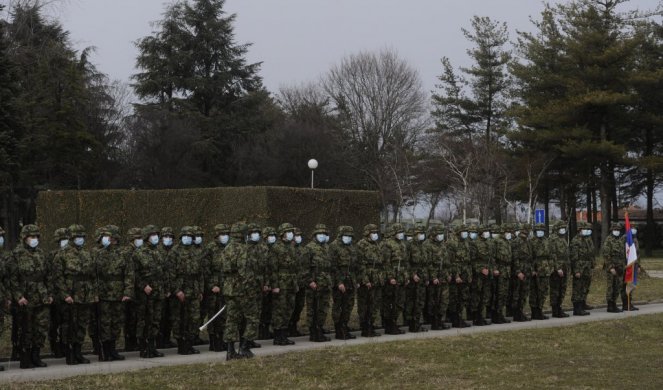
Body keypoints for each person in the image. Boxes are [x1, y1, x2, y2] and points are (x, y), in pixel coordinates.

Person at [7, 224, 53, 369]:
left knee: (41, 327)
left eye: (36, 236)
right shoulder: (16, 254)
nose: (35, 239)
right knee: (26, 328)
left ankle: (36, 355)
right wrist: (18, 296)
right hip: (25, 297)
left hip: (41, 295)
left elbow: (48, 275)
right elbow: (12, 279)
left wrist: (49, 293)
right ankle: (25, 357)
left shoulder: (40, 253)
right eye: (32, 236)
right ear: (24, 238)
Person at [52, 224, 96, 365]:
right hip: (70, 295)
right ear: (71, 237)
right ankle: (69, 353)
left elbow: (93, 275)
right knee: (71, 325)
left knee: (82, 325)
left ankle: (78, 352)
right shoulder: (62, 255)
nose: (80, 239)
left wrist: (93, 292)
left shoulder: (86, 253)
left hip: (85, 295)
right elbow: (58, 277)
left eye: (82, 236)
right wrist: (65, 295)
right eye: (78, 236)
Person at [223, 222, 262, 360]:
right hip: (243, 290)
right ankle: (244, 347)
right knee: (253, 318)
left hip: (229, 289)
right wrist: (251, 289)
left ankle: (230, 351)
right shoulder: (244, 249)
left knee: (231, 320)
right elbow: (245, 272)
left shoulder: (227, 248)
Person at [94, 225, 132, 361]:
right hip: (103, 293)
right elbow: (94, 275)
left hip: (118, 293)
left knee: (116, 323)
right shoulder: (97, 253)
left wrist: (127, 291)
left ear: (115, 238)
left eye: (109, 236)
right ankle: (104, 351)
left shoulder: (123, 254)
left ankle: (113, 350)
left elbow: (129, 274)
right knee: (105, 323)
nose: (106, 239)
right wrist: (95, 292)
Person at [134, 225, 166, 358]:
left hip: (158, 291)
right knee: (145, 320)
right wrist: (143, 286)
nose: (155, 237)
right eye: (153, 235)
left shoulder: (158, 252)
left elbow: (163, 272)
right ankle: (144, 347)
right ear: (147, 237)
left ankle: (152, 347)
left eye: (156, 234)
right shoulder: (139, 253)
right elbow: (134, 274)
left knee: (156, 320)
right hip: (145, 293)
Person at [172, 226, 204, 355]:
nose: (188, 239)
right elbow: (170, 273)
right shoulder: (175, 252)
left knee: (194, 318)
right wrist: (177, 290)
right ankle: (182, 345)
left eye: (190, 237)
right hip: (181, 290)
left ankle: (190, 343)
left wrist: (200, 290)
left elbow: (200, 274)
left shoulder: (195, 252)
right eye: (186, 236)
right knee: (181, 319)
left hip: (194, 289)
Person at [270, 223, 298, 346]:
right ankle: (278, 335)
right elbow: (273, 268)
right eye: (288, 231)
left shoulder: (292, 247)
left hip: (291, 282)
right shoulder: (276, 248)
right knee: (279, 309)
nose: (291, 234)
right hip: (281, 283)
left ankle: (284, 334)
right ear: (282, 234)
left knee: (289, 308)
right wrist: (275, 285)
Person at [329, 225, 357, 340]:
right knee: (338, 306)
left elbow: (355, 266)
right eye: (346, 235)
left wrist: (355, 281)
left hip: (350, 281)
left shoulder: (351, 247)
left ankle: (345, 327)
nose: (348, 237)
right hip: (339, 282)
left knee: (348, 306)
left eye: (350, 236)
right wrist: (339, 282)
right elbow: (332, 266)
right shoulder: (334, 246)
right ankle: (338, 329)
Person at [305, 224, 333, 342]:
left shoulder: (326, 248)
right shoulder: (309, 248)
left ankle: (320, 328)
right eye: (320, 234)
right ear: (315, 235)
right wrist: (310, 281)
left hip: (325, 282)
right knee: (313, 308)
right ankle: (313, 331)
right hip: (314, 283)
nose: (322, 236)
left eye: (324, 234)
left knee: (323, 307)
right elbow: (304, 267)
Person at [356, 224, 383, 337]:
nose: (375, 234)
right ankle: (365, 327)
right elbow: (360, 264)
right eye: (373, 232)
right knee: (364, 304)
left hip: (376, 279)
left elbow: (380, 263)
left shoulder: (376, 245)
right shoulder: (361, 244)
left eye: (376, 232)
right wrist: (365, 280)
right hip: (366, 280)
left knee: (374, 304)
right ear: (367, 233)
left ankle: (370, 325)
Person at [206, 224, 230, 352]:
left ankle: (223, 340)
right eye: (222, 234)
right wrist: (212, 285)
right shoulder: (210, 248)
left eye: (226, 233)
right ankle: (213, 342)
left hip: (226, 286)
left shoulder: (229, 248)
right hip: (214, 288)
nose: (225, 236)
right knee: (214, 314)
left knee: (224, 316)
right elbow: (206, 269)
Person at [381, 223, 407, 335]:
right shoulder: (387, 244)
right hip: (391, 278)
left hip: (400, 277)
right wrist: (390, 277)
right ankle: (389, 325)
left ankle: (394, 322)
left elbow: (405, 263)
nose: (401, 234)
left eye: (402, 232)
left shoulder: (402, 244)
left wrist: (405, 276)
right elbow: (386, 262)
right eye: (399, 232)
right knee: (390, 302)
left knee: (399, 302)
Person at [423, 225, 451, 330]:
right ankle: (433, 321)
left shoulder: (442, 245)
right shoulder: (427, 245)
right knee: (433, 300)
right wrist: (433, 277)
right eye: (438, 233)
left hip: (443, 276)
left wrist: (448, 274)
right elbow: (427, 263)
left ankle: (440, 319)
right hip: (434, 277)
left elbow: (447, 262)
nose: (440, 236)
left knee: (444, 300)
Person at [47, 227, 69, 359]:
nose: (65, 242)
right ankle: (55, 347)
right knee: (54, 323)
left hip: (68, 294)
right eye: (63, 239)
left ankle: (65, 345)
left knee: (67, 322)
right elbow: (49, 275)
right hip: (56, 295)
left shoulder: (72, 255)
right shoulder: (52, 255)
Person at [447, 225, 472, 328]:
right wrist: (456, 275)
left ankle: (459, 317)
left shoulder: (465, 242)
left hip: (465, 272)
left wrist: (469, 274)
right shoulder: (452, 243)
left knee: (463, 297)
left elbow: (468, 260)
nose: (465, 233)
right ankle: (454, 318)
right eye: (463, 231)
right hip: (456, 274)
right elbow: (450, 262)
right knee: (454, 297)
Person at [122, 227, 143, 352]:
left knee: (137, 317)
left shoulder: (140, 251)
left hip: (139, 290)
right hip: (131, 289)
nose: (140, 240)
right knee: (129, 317)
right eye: (137, 238)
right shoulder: (127, 252)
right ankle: (129, 342)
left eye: (140, 238)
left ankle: (135, 340)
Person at [405, 223, 428, 332]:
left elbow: (425, 263)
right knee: (412, 301)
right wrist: (412, 274)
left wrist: (426, 277)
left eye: (423, 233)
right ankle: (412, 324)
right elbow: (406, 262)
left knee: (420, 301)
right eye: (420, 233)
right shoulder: (409, 245)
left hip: (422, 277)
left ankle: (417, 322)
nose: (421, 235)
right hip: (414, 278)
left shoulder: (423, 245)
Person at [157, 226, 177, 349]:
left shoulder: (175, 251)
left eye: (170, 237)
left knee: (170, 316)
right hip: (161, 289)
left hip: (174, 288)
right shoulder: (158, 251)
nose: (168, 239)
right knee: (160, 316)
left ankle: (167, 338)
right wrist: (164, 289)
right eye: (166, 236)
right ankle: (159, 340)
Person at [469, 225, 492, 326]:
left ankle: (480, 316)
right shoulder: (474, 244)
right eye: (485, 231)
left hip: (487, 273)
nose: (487, 233)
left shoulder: (488, 242)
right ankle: (475, 316)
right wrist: (480, 269)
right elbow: (472, 260)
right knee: (476, 295)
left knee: (485, 296)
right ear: (481, 232)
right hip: (478, 275)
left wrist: (490, 269)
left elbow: (491, 259)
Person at [570, 222, 594, 316]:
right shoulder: (576, 241)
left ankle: (582, 304)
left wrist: (592, 264)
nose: (587, 231)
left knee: (585, 287)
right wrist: (576, 270)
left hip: (587, 267)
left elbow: (590, 253)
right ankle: (577, 309)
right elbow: (574, 257)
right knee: (578, 288)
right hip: (579, 267)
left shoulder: (586, 240)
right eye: (585, 229)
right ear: (580, 229)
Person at [511, 224, 533, 322]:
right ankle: (517, 314)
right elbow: (515, 258)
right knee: (517, 293)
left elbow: (529, 258)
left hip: (527, 270)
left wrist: (531, 269)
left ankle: (521, 312)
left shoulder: (527, 242)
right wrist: (518, 271)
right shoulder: (517, 242)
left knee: (524, 293)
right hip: (520, 271)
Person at [490, 225, 512, 324]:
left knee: (504, 294)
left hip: (506, 270)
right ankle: (496, 315)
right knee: (499, 293)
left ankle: (500, 314)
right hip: (500, 270)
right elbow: (492, 256)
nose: (510, 233)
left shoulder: (507, 242)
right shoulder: (496, 241)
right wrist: (495, 269)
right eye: (508, 231)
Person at [601, 222, 625, 313]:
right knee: (611, 287)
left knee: (618, 286)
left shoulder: (620, 240)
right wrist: (611, 267)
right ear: (612, 230)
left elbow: (622, 254)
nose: (617, 231)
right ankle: (610, 305)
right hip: (612, 268)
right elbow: (606, 255)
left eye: (618, 230)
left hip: (619, 268)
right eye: (615, 230)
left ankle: (614, 303)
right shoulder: (609, 240)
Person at [529, 223, 551, 320]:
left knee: (543, 291)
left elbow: (550, 255)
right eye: (538, 230)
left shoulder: (547, 241)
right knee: (534, 292)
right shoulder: (531, 242)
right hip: (536, 269)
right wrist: (532, 270)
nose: (540, 232)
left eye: (542, 230)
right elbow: (529, 258)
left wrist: (551, 267)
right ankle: (534, 311)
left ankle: (540, 310)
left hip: (545, 269)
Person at [288, 227, 307, 337]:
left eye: (299, 235)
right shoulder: (287, 249)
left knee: (299, 306)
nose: (298, 237)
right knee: (290, 306)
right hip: (290, 284)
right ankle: (286, 328)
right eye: (296, 235)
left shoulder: (302, 249)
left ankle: (293, 326)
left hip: (301, 282)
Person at [258, 226, 277, 340]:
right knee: (262, 309)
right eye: (270, 236)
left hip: (272, 283)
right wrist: (265, 284)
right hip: (263, 284)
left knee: (270, 309)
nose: (272, 238)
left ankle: (266, 330)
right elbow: (262, 269)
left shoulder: (274, 249)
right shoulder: (261, 249)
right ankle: (261, 331)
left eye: (274, 235)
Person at [549, 221, 570, 318]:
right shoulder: (553, 239)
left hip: (564, 267)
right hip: (557, 268)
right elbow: (552, 255)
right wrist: (557, 268)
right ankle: (555, 309)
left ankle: (559, 307)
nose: (563, 229)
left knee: (562, 289)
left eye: (564, 227)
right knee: (555, 289)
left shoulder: (562, 239)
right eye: (561, 227)